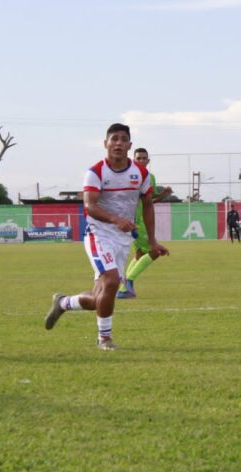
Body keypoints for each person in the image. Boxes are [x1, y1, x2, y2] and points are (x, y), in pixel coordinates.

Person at [44, 125, 168, 350]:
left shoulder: (141, 173)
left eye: (123, 140)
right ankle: (105, 339)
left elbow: (148, 206)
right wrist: (115, 219)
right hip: (98, 233)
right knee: (111, 282)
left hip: (123, 239)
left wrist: (152, 241)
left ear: (129, 145)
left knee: (99, 297)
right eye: (114, 139)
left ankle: (63, 302)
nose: (119, 143)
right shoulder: (96, 172)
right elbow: (90, 206)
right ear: (105, 144)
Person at [116, 147, 172, 299]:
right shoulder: (129, 177)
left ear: (148, 161)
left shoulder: (150, 177)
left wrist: (163, 195)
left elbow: (149, 201)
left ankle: (122, 289)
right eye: (138, 158)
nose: (141, 160)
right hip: (137, 222)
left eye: (143, 158)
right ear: (133, 159)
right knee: (155, 251)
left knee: (140, 254)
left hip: (139, 221)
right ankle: (128, 282)